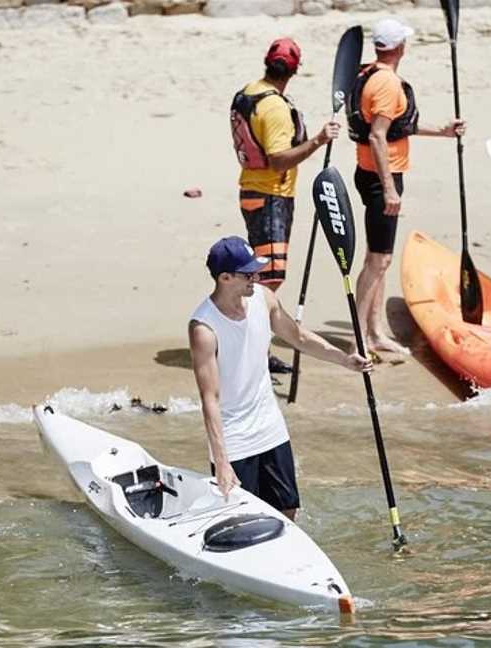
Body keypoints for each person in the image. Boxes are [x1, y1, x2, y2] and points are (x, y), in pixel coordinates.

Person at [189, 236, 372, 520]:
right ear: (225, 277)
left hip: (269, 427)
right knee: (242, 519)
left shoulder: (264, 298)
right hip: (234, 438)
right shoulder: (204, 328)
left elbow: (298, 337)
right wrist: (222, 462)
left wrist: (345, 360)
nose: (257, 277)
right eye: (248, 274)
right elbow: (209, 399)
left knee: (288, 510)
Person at [346, 17, 464, 355]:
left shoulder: (366, 74)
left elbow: (398, 126)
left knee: (377, 257)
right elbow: (378, 136)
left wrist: (442, 131)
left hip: (370, 173)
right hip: (381, 179)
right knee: (378, 262)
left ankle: (376, 331)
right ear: (399, 47)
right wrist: (389, 190)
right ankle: (360, 338)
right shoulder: (386, 84)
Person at [230, 37, 340, 374]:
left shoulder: (248, 91)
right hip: (270, 198)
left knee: (262, 276)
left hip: (255, 192)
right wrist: (319, 140)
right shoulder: (275, 107)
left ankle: (253, 350)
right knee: (268, 280)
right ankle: (250, 351)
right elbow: (278, 160)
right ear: (294, 70)